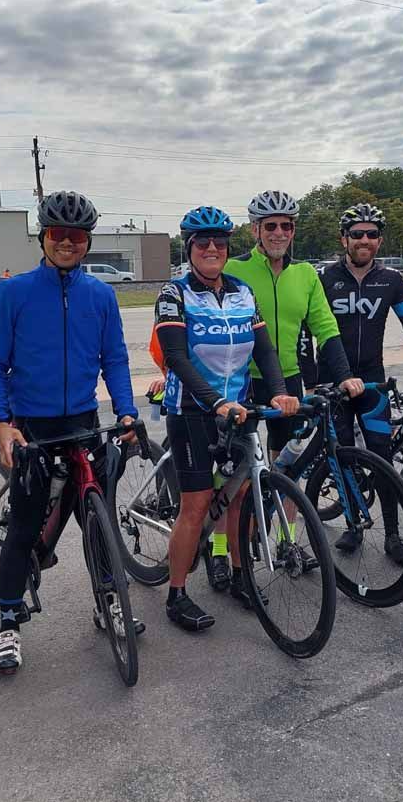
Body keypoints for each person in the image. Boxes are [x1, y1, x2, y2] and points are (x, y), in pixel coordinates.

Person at [0, 190, 140, 675]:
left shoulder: (102, 294)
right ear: (43, 238)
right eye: (57, 234)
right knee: (26, 524)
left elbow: (114, 359)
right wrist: (3, 426)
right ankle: (8, 622)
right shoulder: (12, 293)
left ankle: (108, 602)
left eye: (76, 236)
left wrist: (128, 413)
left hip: (84, 423)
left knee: (100, 521)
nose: (67, 243)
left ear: (87, 242)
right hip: (33, 426)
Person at [152, 206, 299, 631]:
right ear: (190, 247)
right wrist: (214, 401)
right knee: (197, 505)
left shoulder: (241, 292)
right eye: (203, 242)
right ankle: (176, 595)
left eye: (219, 242)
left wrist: (279, 392)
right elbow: (177, 356)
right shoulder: (174, 294)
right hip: (192, 411)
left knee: (239, 497)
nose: (212, 248)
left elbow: (265, 350)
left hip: (238, 409)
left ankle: (240, 577)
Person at [214, 190, 362, 588]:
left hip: (289, 381)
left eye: (287, 225)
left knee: (287, 468)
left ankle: (285, 542)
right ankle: (219, 550)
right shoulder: (235, 270)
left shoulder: (305, 274)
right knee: (234, 474)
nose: (280, 232)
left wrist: (345, 373)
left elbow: (326, 328)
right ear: (255, 230)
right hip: (241, 380)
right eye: (271, 226)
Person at [301, 203, 403, 561]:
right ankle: (353, 526)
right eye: (357, 234)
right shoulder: (324, 279)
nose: (364, 240)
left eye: (371, 234)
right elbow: (305, 333)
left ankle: (392, 534)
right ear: (344, 239)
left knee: (383, 458)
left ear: (379, 240)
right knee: (341, 458)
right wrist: (311, 384)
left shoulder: (391, 280)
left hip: (372, 383)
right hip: (333, 385)